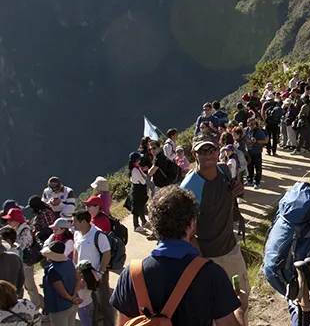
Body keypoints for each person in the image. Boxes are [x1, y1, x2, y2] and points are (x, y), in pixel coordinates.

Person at [111, 186, 242, 325]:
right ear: (191, 223)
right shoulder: (212, 274)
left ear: (155, 226)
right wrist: (240, 311)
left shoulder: (131, 275)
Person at [180, 132, 249, 325]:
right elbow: (185, 231)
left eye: (212, 149)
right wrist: (200, 261)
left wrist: (239, 188)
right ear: (195, 154)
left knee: (241, 303)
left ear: (219, 150)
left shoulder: (225, 172)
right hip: (207, 258)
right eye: (203, 150)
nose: (208, 154)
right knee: (214, 312)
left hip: (232, 249)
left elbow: (234, 193)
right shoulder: (189, 188)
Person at [73, 209, 114, 326]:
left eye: (75, 222)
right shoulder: (77, 234)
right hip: (83, 274)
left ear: (84, 222)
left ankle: (109, 323)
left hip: (97, 274)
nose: (73, 224)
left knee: (104, 300)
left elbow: (107, 253)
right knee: (90, 302)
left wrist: (100, 272)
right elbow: (76, 251)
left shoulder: (98, 234)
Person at [1, 208, 44, 309]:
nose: (8, 222)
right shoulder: (15, 229)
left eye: (10, 220)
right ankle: (44, 304)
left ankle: (35, 308)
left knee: (30, 287)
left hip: (26, 263)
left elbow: (20, 246)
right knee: (27, 286)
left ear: (17, 221)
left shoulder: (25, 231)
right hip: (20, 262)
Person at [41, 241, 80, 326]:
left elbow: (61, 291)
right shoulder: (69, 262)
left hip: (59, 307)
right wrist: (74, 295)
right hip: (72, 305)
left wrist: (71, 299)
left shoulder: (53, 271)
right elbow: (78, 279)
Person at [243, 117, 268, 189]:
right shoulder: (245, 130)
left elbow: (266, 141)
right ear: (247, 124)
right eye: (250, 124)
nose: (252, 125)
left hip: (256, 152)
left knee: (258, 168)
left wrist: (256, 141)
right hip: (248, 152)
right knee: (249, 167)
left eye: (254, 124)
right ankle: (249, 180)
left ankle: (257, 182)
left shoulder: (259, 131)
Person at [128, 152, 150, 233]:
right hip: (138, 190)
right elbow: (143, 181)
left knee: (141, 205)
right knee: (136, 208)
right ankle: (136, 225)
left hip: (138, 189)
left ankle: (143, 221)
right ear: (136, 160)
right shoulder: (135, 171)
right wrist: (145, 175)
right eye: (139, 159)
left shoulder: (136, 168)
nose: (140, 160)